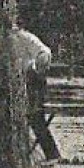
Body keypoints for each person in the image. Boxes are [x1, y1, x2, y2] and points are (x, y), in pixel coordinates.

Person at [13, 27, 62, 160]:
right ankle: (19, 153)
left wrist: (37, 71)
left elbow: (44, 52)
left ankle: (52, 154)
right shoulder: (1, 41)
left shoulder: (24, 37)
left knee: (35, 117)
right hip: (14, 82)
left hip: (31, 81)